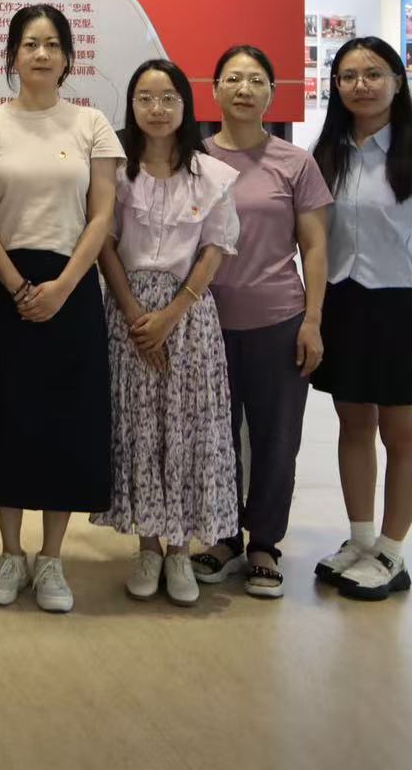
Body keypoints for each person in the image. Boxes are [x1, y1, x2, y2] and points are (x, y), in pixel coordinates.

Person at [0, 4, 122, 614]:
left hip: (72, 288)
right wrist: (17, 284)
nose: (42, 54)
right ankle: (10, 552)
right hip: (5, 288)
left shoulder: (91, 124)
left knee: (65, 424)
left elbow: (102, 215)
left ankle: (51, 557)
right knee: (6, 417)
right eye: (30, 44)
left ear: (69, 57)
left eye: (52, 44)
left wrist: (64, 286)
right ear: (12, 55)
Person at [308, 37, 412, 601]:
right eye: (349, 76)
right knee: (353, 425)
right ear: (336, 86)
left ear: (398, 82)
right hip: (342, 302)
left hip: (400, 305)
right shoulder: (325, 154)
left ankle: (392, 551)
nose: (361, 85)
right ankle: (359, 540)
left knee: (401, 434)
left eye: (374, 74)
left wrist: (410, 294)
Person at [93, 59, 241, 607]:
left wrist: (172, 314)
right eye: (145, 99)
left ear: (185, 106)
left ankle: (180, 550)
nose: (156, 109)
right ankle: (148, 547)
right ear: (131, 106)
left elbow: (215, 249)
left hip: (189, 318)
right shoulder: (116, 174)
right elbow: (105, 245)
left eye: (168, 98)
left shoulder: (213, 175)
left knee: (186, 426)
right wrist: (136, 315)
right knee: (139, 427)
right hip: (127, 314)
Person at [199, 45, 332, 599]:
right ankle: (224, 537)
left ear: (272, 94)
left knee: (277, 440)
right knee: (216, 437)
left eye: (256, 80)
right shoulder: (196, 159)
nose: (244, 89)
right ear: (215, 90)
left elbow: (315, 246)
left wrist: (313, 320)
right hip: (206, 324)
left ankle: (264, 545)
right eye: (233, 78)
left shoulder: (295, 162)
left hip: (279, 319)